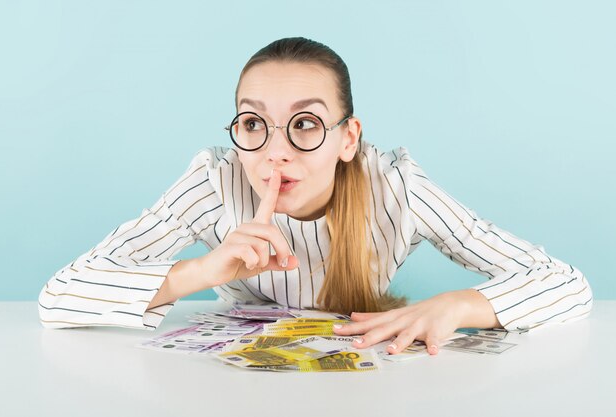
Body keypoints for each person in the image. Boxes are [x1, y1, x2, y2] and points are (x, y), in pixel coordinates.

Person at [38, 37, 593, 356]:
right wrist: (202, 271)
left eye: (304, 124)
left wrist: (459, 305)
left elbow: (566, 284)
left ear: (348, 138)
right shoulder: (216, 181)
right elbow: (59, 295)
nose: (274, 152)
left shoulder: (397, 188)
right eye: (254, 123)